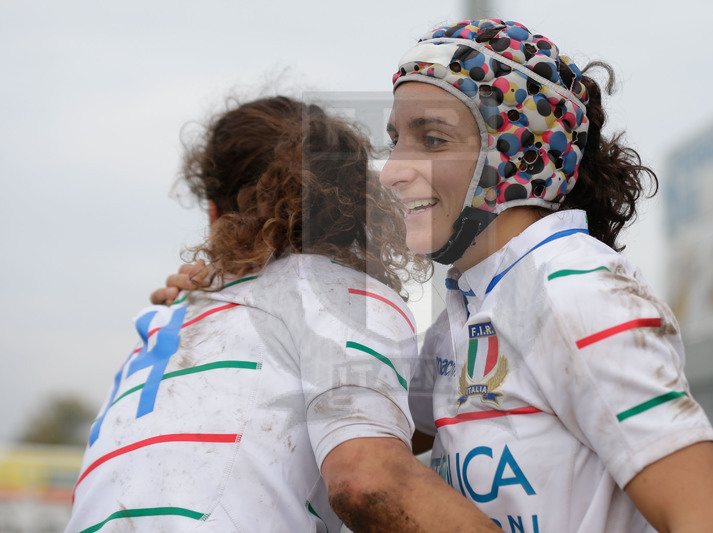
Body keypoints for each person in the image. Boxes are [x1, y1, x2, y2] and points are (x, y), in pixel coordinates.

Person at [66, 96, 502, 532]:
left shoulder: (167, 318)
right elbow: (368, 482)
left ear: (214, 214)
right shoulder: (339, 297)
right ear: (354, 201)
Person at [381, 19, 713, 533]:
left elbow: (711, 522)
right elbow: (371, 448)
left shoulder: (578, 291)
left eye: (433, 140)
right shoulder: (465, 309)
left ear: (512, 158)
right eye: (397, 140)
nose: (391, 170)